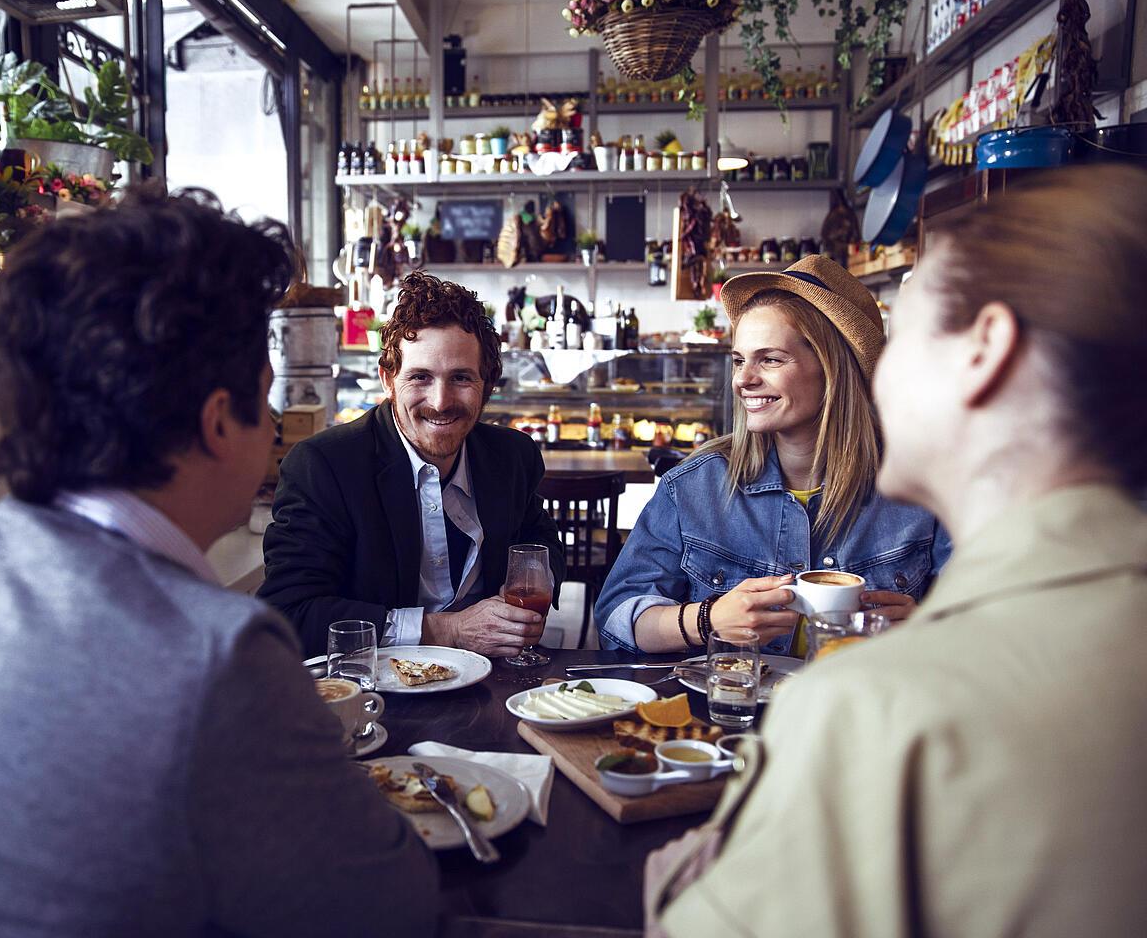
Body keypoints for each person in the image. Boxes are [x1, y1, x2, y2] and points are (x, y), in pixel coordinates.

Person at [0, 189, 438, 938]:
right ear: (218, 422)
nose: (273, 430)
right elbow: (388, 908)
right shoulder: (219, 654)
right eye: (265, 402)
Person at [647, 164, 1147, 936]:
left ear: (986, 350)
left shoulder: (866, 711)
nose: (877, 372)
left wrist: (681, 885)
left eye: (903, 334)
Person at [595, 254, 950, 655]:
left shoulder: (924, 490)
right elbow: (615, 617)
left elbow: (995, 629)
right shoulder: (695, 487)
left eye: (770, 359)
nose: (744, 379)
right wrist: (706, 619)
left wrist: (926, 625)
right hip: (728, 713)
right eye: (739, 360)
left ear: (834, 368)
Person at [261, 271, 565, 658]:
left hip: (493, 682)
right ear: (388, 380)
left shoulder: (513, 456)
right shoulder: (324, 466)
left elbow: (543, 545)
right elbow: (290, 614)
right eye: (420, 377)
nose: (440, 401)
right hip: (377, 694)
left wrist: (525, 586)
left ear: (487, 384)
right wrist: (447, 629)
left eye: (461, 378)